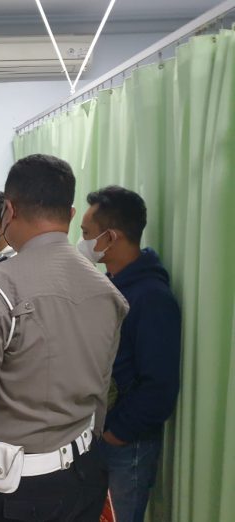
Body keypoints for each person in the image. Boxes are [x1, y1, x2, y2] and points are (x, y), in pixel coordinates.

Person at [0, 154, 129, 522]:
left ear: (10, 211)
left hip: (14, 493)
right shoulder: (108, 293)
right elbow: (100, 394)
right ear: (70, 212)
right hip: (85, 476)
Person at [78, 186, 181, 522]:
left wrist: (115, 434)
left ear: (111, 237)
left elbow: (159, 386)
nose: (82, 242)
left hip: (127, 445)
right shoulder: (114, 285)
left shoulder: (151, 298)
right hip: (101, 436)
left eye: (86, 234)